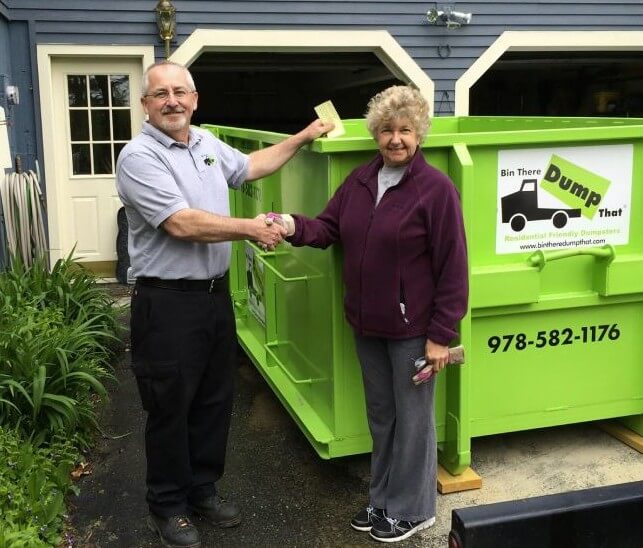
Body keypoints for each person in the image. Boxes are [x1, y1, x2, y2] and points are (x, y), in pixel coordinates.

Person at [115, 60, 333, 548]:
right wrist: (252, 229)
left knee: (214, 401)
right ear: (146, 105)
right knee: (171, 406)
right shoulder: (138, 157)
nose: (172, 101)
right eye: (160, 94)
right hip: (167, 304)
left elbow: (252, 166)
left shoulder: (207, 143)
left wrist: (302, 136)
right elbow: (181, 223)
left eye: (180, 92)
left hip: (213, 298)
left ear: (194, 99)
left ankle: (202, 489)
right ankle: (167, 505)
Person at [269, 85, 468, 543]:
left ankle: (415, 509)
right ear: (375, 134)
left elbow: (453, 266)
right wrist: (291, 225)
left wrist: (441, 335)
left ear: (419, 135)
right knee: (382, 417)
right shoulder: (360, 180)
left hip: (413, 332)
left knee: (414, 422)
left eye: (404, 130)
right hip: (367, 325)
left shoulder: (436, 189)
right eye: (386, 130)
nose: (395, 139)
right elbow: (327, 228)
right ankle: (382, 501)